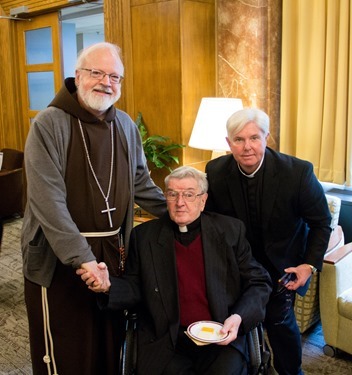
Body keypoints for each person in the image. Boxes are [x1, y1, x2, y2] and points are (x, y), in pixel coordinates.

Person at [21, 42, 167, 375]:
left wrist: (180, 210)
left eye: (115, 76)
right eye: (97, 72)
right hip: (61, 259)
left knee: (107, 345)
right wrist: (83, 259)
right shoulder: (49, 124)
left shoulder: (126, 126)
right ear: (77, 75)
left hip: (113, 254)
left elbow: (141, 184)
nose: (106, 81)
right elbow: (48, 202)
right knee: (67, 349)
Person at [78, 166, 272, 375]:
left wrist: (238, 318)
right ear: (166, 198)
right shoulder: (145, 236)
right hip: (166, 340)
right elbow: (135, 287)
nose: (180, 203)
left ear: (203, 200)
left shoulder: (230, 231)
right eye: (173, 194)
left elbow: (259, 282)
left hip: (220, 338)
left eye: (189, 194)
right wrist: (108, 286)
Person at [205, 107, 332, 375]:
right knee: (233, 324)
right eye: (238, 140)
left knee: (280, 325)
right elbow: (211, 222)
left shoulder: (297, 173)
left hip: (283, 269)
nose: (247, 147)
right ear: (228, 144)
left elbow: (321, 223)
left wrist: (308, 266)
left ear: (267, 137)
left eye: (254, 138)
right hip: (238, 268)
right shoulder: (215, 171)